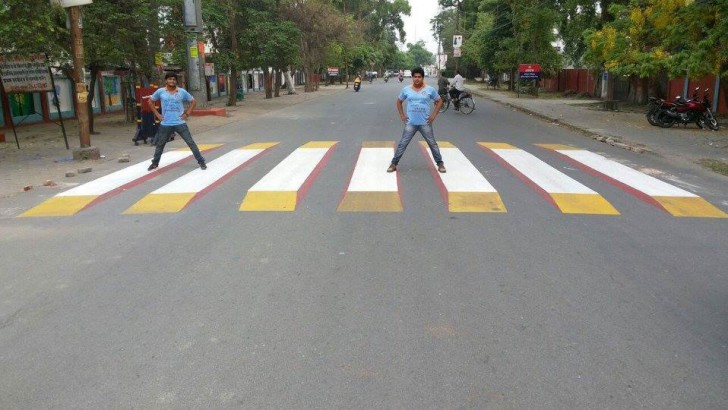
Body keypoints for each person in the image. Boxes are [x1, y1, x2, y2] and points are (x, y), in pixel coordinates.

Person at [388, 66, 446, 174]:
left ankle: (440, 164)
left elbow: (439, 101)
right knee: (402, 143)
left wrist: (433, 116)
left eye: (419, 77)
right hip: (411, 123)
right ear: (412, 78)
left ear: (423, 78)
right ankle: (394, 163)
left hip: (425, 123)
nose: (417, 79)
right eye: (415, 77)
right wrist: (402, 115)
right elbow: (398, 102)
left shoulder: (429, 90)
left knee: (432, 143)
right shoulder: (406, 89)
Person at [147, 72, 206, 171]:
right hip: (165, 124)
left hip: (180, 123)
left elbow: (193, 102)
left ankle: (201, 162)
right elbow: (150, 101)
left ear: (176, 81)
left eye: (174, 79)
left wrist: (187, 114)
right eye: (170, 79)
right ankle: (155, 163)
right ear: (166, 81)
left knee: (190, 143)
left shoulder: (181, 91)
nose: (172, 81)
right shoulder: (161, 91)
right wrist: (157, 114)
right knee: (160, 144)